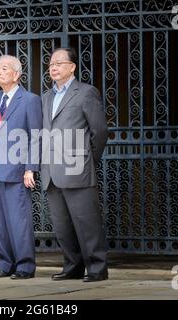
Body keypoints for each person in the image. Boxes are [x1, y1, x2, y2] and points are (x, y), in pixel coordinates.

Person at [41, 47, 109, 282]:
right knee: (62, 226)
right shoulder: (46, 97)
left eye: (59, 63)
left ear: (72, 67)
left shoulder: (86, 93)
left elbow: (99, 131)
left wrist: (87, 159)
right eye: (51, 64)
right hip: (51, 171)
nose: (53, 67)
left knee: (86, 222)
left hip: (77, 169)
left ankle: (97, 268)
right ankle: (73, 266)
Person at [0, 55, 42, 280]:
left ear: (17, 74)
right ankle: (4, 263)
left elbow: (35, 137)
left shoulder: (29, 100)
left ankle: (25, 266)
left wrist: (30, 168)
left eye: (4, 68)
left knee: (19, 221)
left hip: (17, 172)